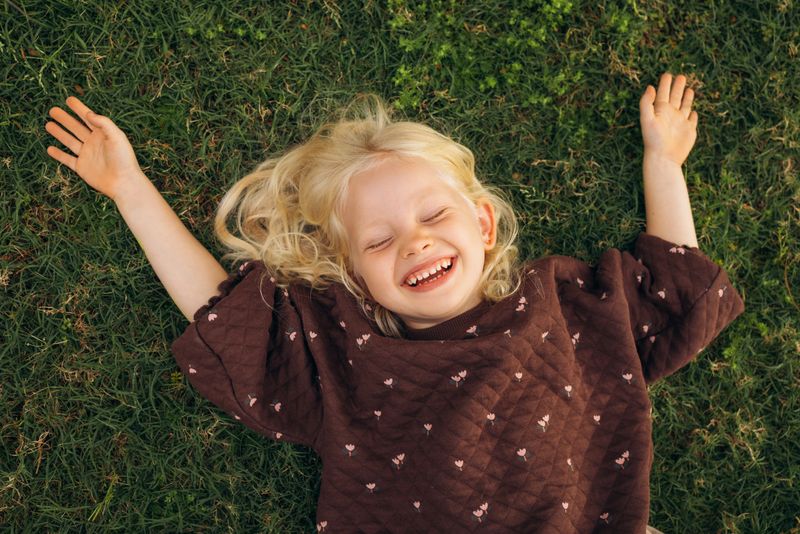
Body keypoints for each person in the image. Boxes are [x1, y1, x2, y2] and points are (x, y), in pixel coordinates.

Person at [45, 72, 744, 533]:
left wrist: (663, 163)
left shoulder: (563, 306)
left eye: (435, 216)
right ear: (351, 276)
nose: (414, 242)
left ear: (482, 224)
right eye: (379, 240)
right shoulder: (348, 353)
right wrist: (130, 190)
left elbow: (667, 286)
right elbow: (225, 314)